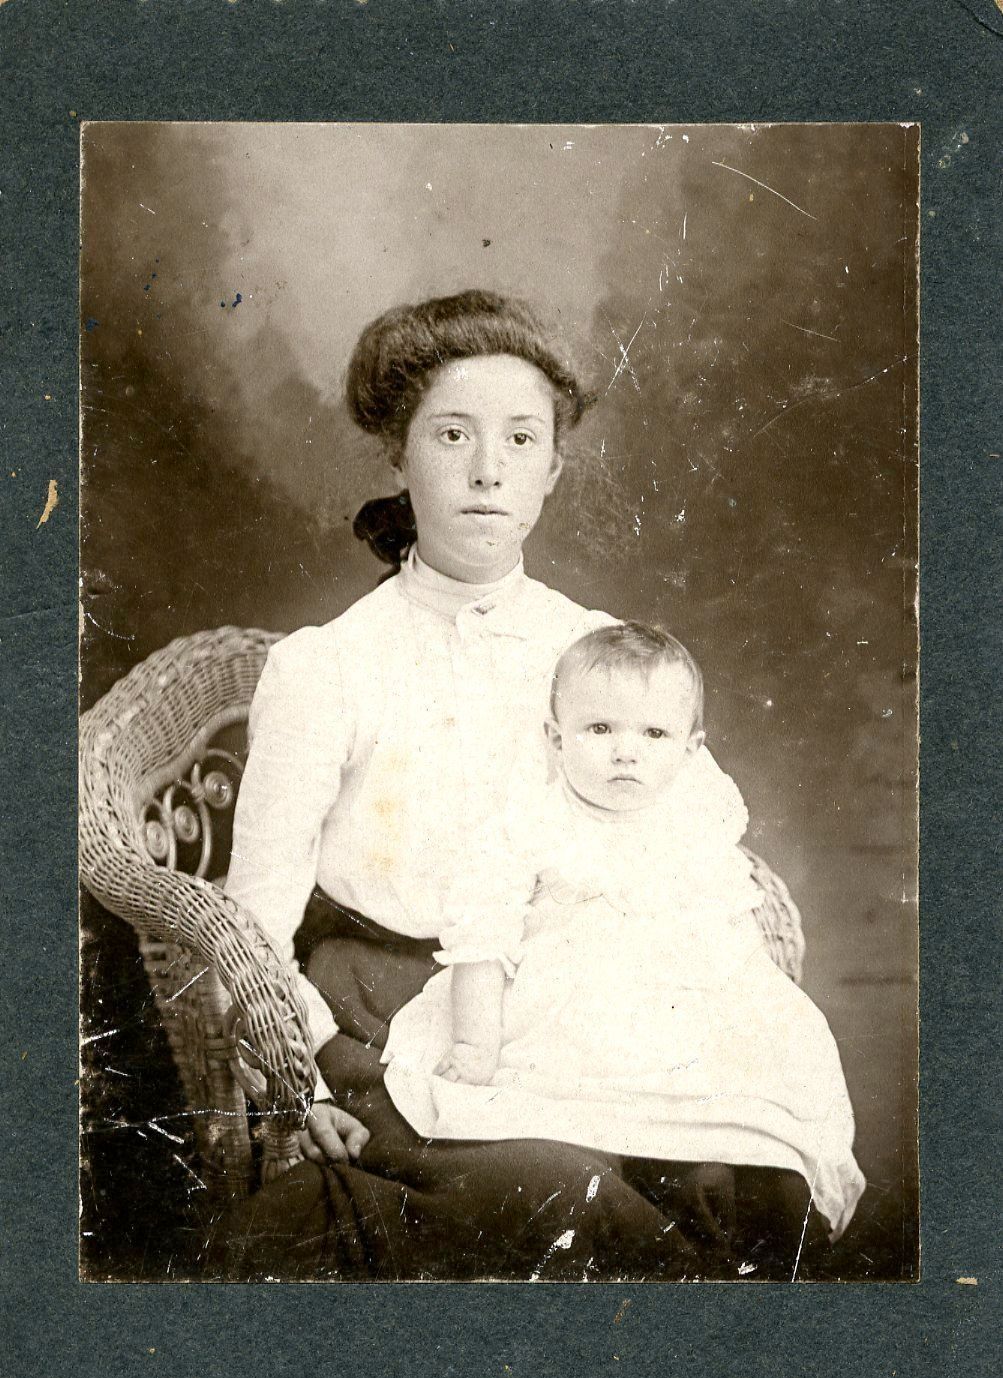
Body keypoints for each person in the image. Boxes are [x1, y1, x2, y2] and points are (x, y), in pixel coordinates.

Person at [210, 290, 820, 1281]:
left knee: (749, 1181)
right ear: (398, 457)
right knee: (571, 1190)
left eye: (521, 439)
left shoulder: (594, 649)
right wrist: (300, 1080)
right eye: (452, 434)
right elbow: (253, 924)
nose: (488, 470)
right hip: (380, 1028)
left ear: (551, 470)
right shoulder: (327, 666)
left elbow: (694, 838)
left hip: (580, 1017)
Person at [382, 623, 866, 1253]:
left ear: (690, 750)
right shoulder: (529, 825)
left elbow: (731, 935)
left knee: (753, 1128)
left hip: (687, 1018)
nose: (625, 753)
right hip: (566, 1017)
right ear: (556, 739)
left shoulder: (693, 826)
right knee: (582, 1141)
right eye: (600, 729)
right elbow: (483, 940)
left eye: (654, 734)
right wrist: (475, 1045)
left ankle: (728, 1186)